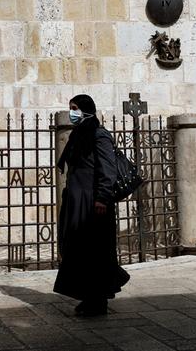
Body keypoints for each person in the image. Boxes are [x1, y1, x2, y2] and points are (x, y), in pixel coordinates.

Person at [53, 94, 130, 316]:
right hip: (77, 201)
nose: (72, 113)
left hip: (94, 203)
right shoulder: (78, 135)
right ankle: (90, 296)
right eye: (70, 108)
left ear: (87, 109)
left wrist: (102, 198)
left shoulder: (99, 135)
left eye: (75, 108)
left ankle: (97, 300)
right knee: (78, 250)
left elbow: (108, 169)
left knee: (95, 252)